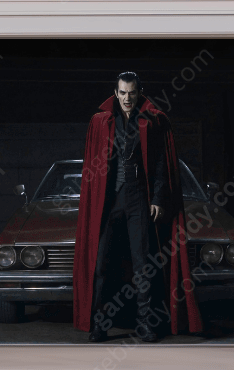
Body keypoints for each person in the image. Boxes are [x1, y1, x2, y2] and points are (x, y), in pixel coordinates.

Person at [72, 72, 202, 342]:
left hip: (139, 198)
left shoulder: (153, 120)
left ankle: (145, 324)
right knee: (102, 264)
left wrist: (157, 198)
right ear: (115, 93)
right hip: (109, 199)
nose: (127, 98)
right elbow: (92, 166)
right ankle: (100, 325)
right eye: (122, 92)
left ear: (139, 93)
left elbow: (161, 163)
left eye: (132, 92)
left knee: (143, 265)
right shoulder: (101, 121)